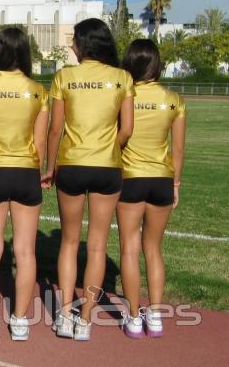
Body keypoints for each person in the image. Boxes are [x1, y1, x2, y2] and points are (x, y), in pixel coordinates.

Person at [42, 18, 135, 341]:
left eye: (74, 41)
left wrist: (49, 166)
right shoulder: (123, 77)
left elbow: (55, 129)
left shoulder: (65, 77)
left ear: (84, 44)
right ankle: (85, 321)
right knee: (96, 246)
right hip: (107, 166)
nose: (71, 46)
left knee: (69, 241)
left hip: (71, 164)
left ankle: (64, 315)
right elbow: (127, 129)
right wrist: (109, 150)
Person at [0, 27, 49, 341]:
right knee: (26, 252)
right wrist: (39, 171)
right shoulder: (37, 91)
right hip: (26, 171)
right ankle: (19, 321)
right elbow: (41, 142)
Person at [117, 39, 185, 339]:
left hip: (129, 178)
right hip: (161, 179)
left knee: (129, 248)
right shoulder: (174, 99)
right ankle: (155, 315)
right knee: (153, 248)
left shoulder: (124, 96)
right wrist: (176, 183)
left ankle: (133, 317)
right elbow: (178, 150)